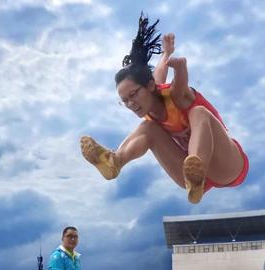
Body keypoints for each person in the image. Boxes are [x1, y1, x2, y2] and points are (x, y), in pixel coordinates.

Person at [80, 13, 249, 204]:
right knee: (148, 128)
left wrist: (179, 66)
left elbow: (179, 83)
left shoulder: (176, 96)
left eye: (133, 95)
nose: (131, 104)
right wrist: (165, 53)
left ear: (150, 86)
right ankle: (114, 161)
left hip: (227, 165)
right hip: (189, 178)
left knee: (198, 111)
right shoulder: (149, 106)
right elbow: (159, 71)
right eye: (124, 101)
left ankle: (197, 168)